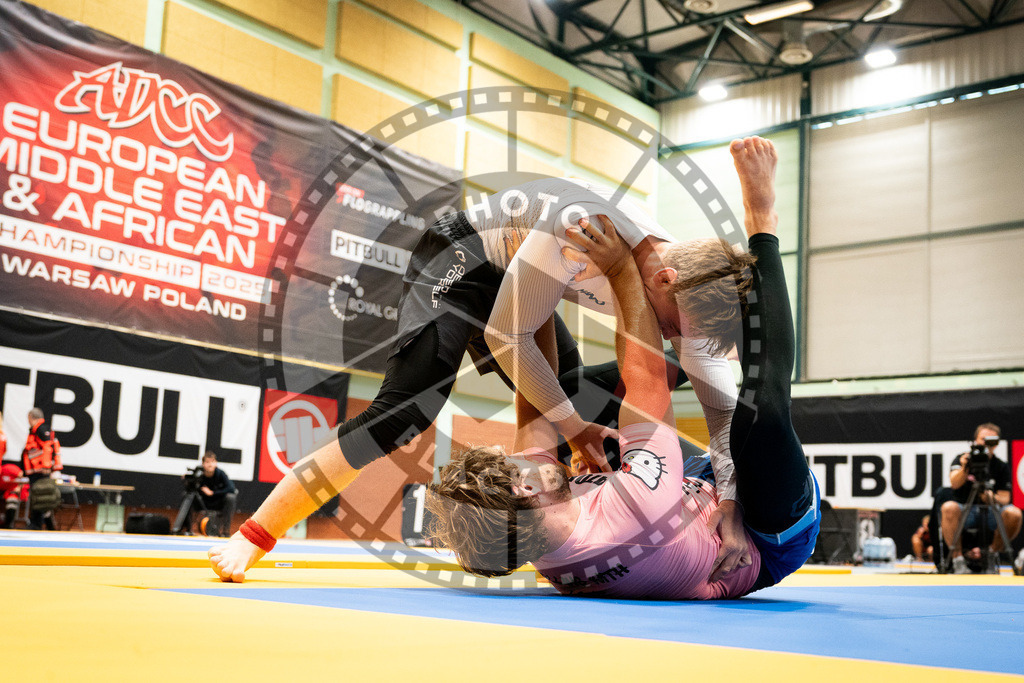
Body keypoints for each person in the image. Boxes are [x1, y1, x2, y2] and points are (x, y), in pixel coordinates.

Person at [210, 173, 757, 581]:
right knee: (407, 411)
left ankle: (566, 452)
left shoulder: (688, 293)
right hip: (464, 258)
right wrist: (574, 429)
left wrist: (730, 509)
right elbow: (505, 337)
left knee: (568, 399)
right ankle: (255, 534)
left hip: (527, 291)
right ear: (664, 281)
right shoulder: (583, 227)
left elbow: (725, 413)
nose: (664, 335)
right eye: (668, 326)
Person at [426, 137, 821, 597]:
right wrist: (620, 271)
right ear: (522, 493)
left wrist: (527, 283)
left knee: (561, 392)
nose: (676, 337)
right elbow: (647, 380)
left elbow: (533, 406)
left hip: (695, 487)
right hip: (768, 537)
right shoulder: (633, 512)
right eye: (512, 467)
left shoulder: (536, 527)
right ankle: (763, 221)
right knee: (762, 415)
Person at [940, 423, 1022, 574]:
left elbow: (1005, 498)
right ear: (975, 440)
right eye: (982, 439)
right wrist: (965, 467)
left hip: (991, 510)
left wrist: (992, 497)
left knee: (1014, 513)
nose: (985, 443)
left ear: (996, 443)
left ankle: (991, 554)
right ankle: (958, 560)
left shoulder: (1000, 466)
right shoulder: (962, 459)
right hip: (965, 509)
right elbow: (954, 483)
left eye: (990, 440)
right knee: (948, 507)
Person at [21, 407, 62, 530]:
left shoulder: (41, 429)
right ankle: (43, 523)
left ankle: (37, 523)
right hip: (36, 470)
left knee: (39, 496)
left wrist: (46, 465)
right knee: (39, 495)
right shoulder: (36, 429)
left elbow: (47, 447)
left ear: (31, 417)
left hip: (40, 470)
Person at [188, 451, 237, 537]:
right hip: (202, 502)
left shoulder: (220, 474)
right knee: (188, 496)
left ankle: (225, 532)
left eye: (212, 461)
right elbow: (190, 487)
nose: (210, 464)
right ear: (203, 464)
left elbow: (231, 488)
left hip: (217, 502)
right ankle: (188, 529)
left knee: (231, 497)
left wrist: (213, 493)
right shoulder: (199, 474)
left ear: (216, 463)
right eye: (207, 462)